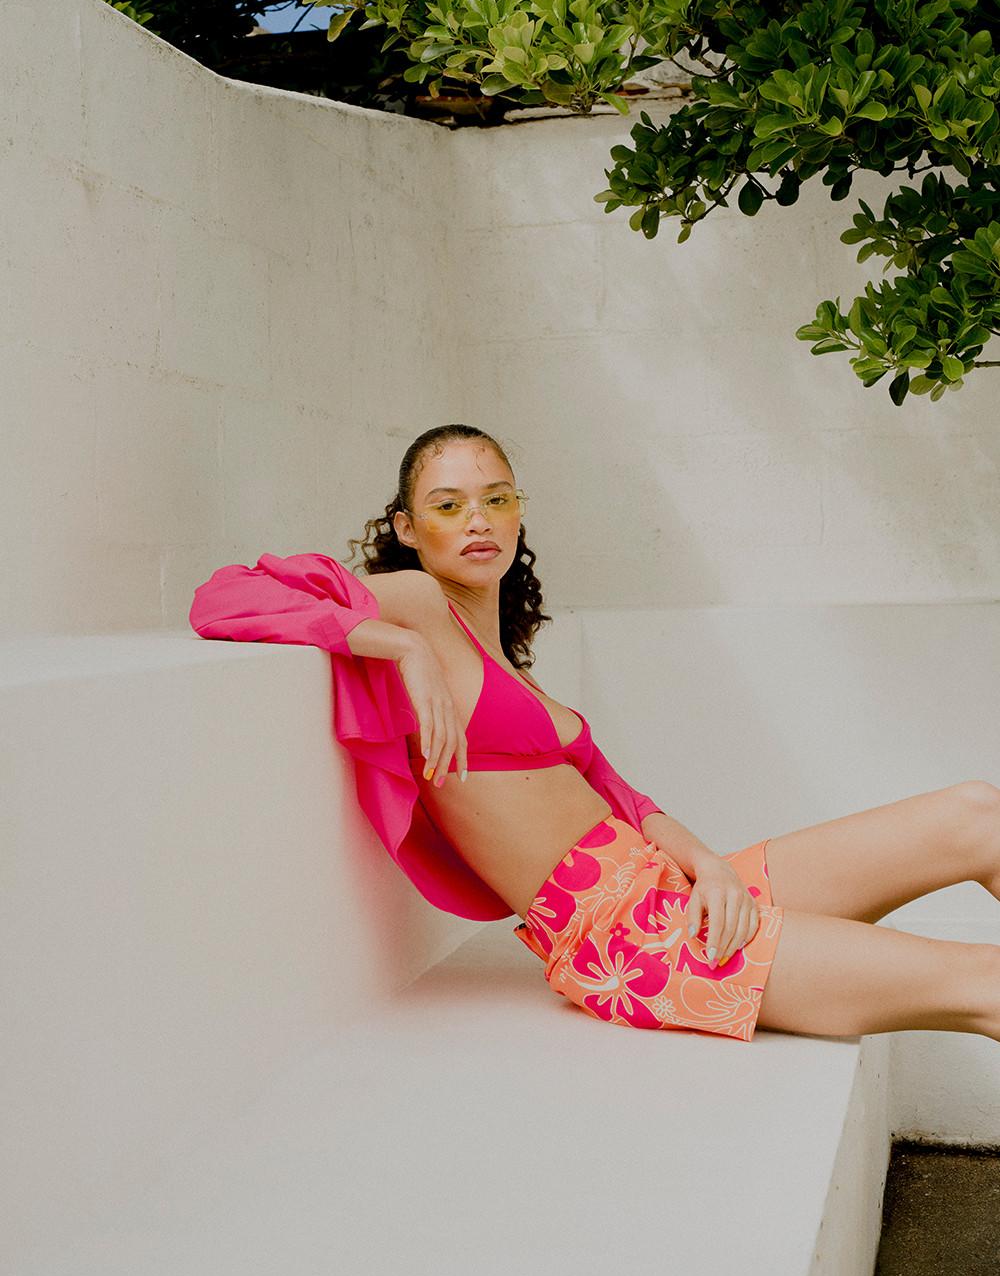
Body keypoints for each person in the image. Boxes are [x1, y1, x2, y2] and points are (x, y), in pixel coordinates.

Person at [190, 422, 1000, 1046]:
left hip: (674, 892)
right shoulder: (414, 606)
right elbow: (223, 598)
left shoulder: (513, 669)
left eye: (498, 498)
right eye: (448, 505)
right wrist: (395, 645)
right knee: (987, 984)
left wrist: (712, 866)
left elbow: (626, 799)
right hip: (629, 945)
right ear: (407, 526)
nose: (478, 520)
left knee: (978, 812)